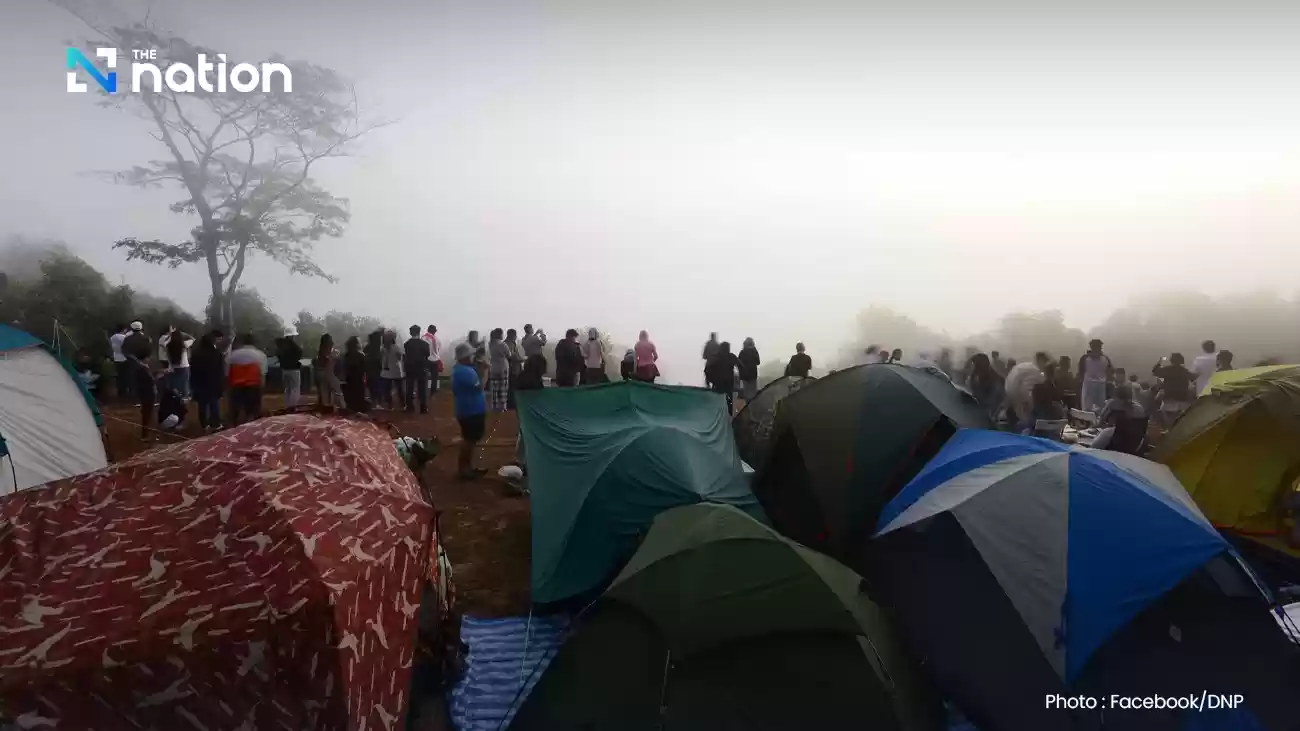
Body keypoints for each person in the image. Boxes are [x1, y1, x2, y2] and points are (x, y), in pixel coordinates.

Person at [451, 342, 488, 480]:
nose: (473, 357)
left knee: (470, 439)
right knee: (469, 440)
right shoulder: (465, 372)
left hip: (468, 410)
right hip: (471, 411)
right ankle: (464, 470)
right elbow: (480, 386)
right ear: (466, 357)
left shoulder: (461, 369)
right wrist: (485, 371)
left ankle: (467, 467)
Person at [226, 333, 267, 427]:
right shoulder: (261, 355)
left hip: (236, 386)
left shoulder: (233, 355)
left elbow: (227, 374)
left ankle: (233, 428)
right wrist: (261, 390)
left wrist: (228, 389)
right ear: (255, 343)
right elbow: (262, 375)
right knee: (252, 412)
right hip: (253, 386)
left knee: (234, 412)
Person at [1091, 384, 1146, 450]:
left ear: (1116, 397)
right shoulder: (1139, 408)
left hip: (1114, 445)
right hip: (1135, 444)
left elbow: (1094, 446)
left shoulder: (1114, 405)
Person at [1005, 352, 1051, 432]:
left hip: (1017, 401)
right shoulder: (1033, 372)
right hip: (1023, 405)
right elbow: (1028, 391)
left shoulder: (1028, 369)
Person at [189, 332, 225, 432]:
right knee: (214, 403)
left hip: (200, 382)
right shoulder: (217, 353)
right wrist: (221, 384)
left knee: (202, 404)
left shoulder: (196, 354)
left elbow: (193, 370)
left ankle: (204, 424)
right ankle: (215, 423)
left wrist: (193, 384)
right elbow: (220, 370)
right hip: (214, 382)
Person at [1152, 353, 1196, 425]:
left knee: (1167, 420)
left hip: (1169, 399)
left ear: (1171, 360)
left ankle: (1156, 422)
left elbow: (1155, 372)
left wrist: (1160, 362)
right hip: (1183, 399)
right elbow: (1193, 378)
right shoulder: (1184, 371)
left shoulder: (1167, 369)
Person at [1076, 339, 1113, 412]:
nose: (1098, 349)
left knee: (1100, 408)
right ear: (1091, 347)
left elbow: (1110, 371)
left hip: (1100, 386)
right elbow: (1081, 372)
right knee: (1087, 408)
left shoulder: (1105, 359)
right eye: (1096, 347)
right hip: (1088, 386)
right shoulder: (1085, 358)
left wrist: (1106, 380)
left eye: (1099, 347)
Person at [966, 353, 1005, 421]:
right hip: (978, 413)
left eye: (973, 365)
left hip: (990, 416)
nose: (972, 368)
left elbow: (991, 401)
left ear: (979, 366)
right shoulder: (977, 376)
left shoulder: (996, 380)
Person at [121, 321, 152, 407]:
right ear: (141, 328)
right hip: (144, 362)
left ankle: (135, 400)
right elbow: (149, 350)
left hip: (131, 362)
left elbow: (124, 350)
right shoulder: (146, 338)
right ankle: (145, 399)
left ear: (132, 328)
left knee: (133, 381)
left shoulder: (127, 339)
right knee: (144, 381)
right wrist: (146, 360)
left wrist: (132, 358)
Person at [160, 327, 195, 400]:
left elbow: (165, 342)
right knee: (184, 384)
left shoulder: (167, 344)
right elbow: (193, 338)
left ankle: (174, 399)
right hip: (184, 367)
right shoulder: (184, 344)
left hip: (172, 367)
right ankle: (185, 398)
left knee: (174, 385)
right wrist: (182, 333)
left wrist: (171, 334)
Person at [706, 341, 741, 415]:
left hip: (718, 382)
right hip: (728, 381)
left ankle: (718, 413)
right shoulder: (731, 356)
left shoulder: (716, 357)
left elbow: (707, 369)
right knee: (729, 399)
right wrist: (739, 377)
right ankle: (730, 413)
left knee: (719, 398)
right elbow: (741, 366)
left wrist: (709, 380)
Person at [403, 325, 431, 413]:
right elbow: (427, 355)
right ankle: (423, 407)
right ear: (419, 332)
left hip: (410, 368)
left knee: (410, 387)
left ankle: (409, 406)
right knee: (422, 388)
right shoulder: (425, 344)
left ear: (410, 333)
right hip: (421, 368)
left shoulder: (406, 344)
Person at [277, 329, 304, 409]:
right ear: (291, 336)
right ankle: (292, 407)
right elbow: (299, 354)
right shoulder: (293, 345)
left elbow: (278, 355)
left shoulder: (281, 346)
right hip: (294, 370)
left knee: (287, 389)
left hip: (284, 370)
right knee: (295, 389)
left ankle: (287, 406)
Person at [316, 334, 344, 409]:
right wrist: (334, 357)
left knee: (324, 392)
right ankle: (342, 407)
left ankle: (325, 407)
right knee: (337, 390)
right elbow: (329, 360)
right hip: (328, 373)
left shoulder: (321, 350)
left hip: (321, 373)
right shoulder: (328, 351)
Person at [342, 335, 369, 412]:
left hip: (349, 379)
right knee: (359, 398)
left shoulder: (346, 355)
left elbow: (345, 367)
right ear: (356, 344)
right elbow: (365, 368)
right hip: (359, 380)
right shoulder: (361, 355)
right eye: (359, 342)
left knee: (351, 397)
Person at [380, 329, 405, 409]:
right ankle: (403, 404)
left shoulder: (382, 348)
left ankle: (389, 405)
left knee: (387, 390)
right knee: (399, 389)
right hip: (396, 371)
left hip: (385, 372)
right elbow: (399, 358)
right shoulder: (396, 347)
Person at [487, 328, 511, 412]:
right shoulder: (503, 344)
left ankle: (494, 406)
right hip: (503, 367)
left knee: (494, 389)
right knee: (503, 388)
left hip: (493, 367)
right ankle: (503, 407)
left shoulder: (490, 343)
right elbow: (509, 355)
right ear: (500, 334)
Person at [109, 323, 131, 403]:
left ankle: (120, 392)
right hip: (124, 358)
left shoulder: (112, 337)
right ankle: (125, 393)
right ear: (123, 329)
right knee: (125, 376)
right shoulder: (123, 337)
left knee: (119, 376)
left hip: (116, 357)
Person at [364, 330, 385, 407]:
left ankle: (374, 403)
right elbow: (380, 361)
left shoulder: (367, 348)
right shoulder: (379, 349)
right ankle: (378, 403)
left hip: (369, 372)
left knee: (372, 389)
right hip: (377, 372)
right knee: (378, 389)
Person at [505, 328, 524, 409]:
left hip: (511, 368)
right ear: (512, 335)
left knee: (511, 387)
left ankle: (511, 403)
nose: (516, 337)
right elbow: (513, 357)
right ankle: (512, 404)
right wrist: (523, 359)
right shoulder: (509, 344)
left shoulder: (507, 343)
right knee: (512, 387)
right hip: (513, 369)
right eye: (515, 335)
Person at [421, 325, 442, 394]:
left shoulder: (422, 338)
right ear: (434, 331)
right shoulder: (437, 340)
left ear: (428, 330)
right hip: (435, 360)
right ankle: (433, 391)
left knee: (424, 376)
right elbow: (438, 350)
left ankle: (424, 390)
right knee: (434, 377)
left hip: (425, 360)